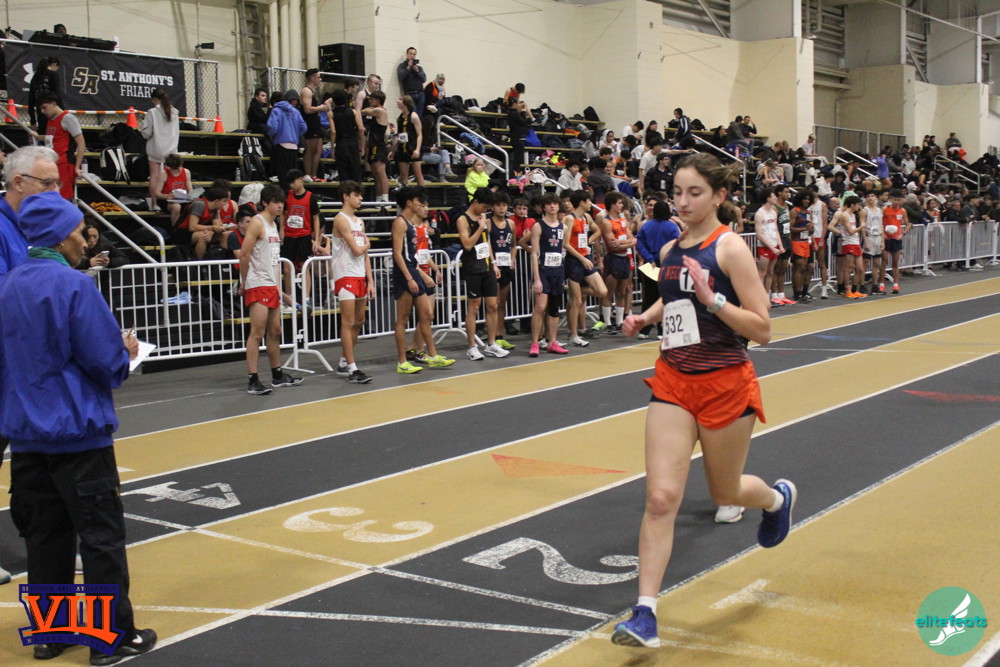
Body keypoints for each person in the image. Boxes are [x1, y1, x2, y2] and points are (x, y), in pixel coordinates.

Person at [611, 153, 796, 649]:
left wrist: (714, 300)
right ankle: (644, 614)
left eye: (694, 192)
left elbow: (763, 330)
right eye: (677, 192)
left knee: (725, 492)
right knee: (660, 498)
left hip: (724, 384)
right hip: (673, 382)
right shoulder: (670, 246)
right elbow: (674, 296)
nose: (683, 201)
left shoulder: (730, 248)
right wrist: (645, 319)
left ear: (718, 196)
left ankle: (776, 500)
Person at [0, 191, 158, 664]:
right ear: (59, 236)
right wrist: (124, 352)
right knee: (99, 538)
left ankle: (52, 633)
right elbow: (104, 361)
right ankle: (111, 638)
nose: (84, 239)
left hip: (26, 438)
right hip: (77, 435)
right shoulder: (74, 287)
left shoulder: (7, 286)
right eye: (77, 231)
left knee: (44, 539)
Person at [0, 145, 61, 587]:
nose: (56, 191)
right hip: (7, 363)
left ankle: (49, 553)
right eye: (48, 183)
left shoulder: (37, 229)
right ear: (18, 182)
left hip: (30, 369)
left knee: (38, 467)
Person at [238, 183, 304, 395]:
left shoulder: (273, 225)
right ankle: (253, 379)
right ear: (265, 202)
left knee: (275, 331)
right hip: (258, 283)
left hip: (272, 284)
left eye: (282, 202)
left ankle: (277, 375)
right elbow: (244, 254)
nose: (280, 206)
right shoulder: (257, 223)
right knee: (257, 332)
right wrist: (244, 281)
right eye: (276, 202)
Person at [391, 187, 455, 373]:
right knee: (403, 319)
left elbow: (414, 254)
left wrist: (417, 274)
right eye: (418, 201)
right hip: (405, 274)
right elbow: (397, 254)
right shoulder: (400, 222)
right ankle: (402, 362)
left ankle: (433, 356)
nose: (421, 205)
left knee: (426, 315)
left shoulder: (412, 224)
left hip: (414, 271)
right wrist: (409, 277)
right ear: (409, 202)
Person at [456, 187, 509, 360]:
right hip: (472, 268)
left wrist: (493, 263)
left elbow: (487, 242)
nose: (485, 210)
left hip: (487, 267)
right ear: (476, 202)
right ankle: (472, 346)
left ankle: (491, 344)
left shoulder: (483, 216)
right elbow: (467, 245)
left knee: (493, 305)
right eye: (484, 207)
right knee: (474, 307)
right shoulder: (463, 219)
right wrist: (480, 227)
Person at [331, 180, 375, 384]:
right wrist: (367, 245)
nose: (361, 199)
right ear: (346, 196)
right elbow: (358, 250)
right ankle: (352, 368)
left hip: (359, 274)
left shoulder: (359, 222)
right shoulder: (341, 219)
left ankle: (343, 361)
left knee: (359, 321)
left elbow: (364, 255)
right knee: (348, 322)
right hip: (345, 274)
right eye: (356, 195)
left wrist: (370, 280)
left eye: (361, 195)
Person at [563, 190, 607, 346]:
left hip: (585, 257)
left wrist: (588, 241)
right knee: (576, 302)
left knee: (602, 291)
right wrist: (581, 258)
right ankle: (574, 335)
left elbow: (598, 231)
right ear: (581, 202)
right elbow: (565, 244)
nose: (591, 204)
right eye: (589, 201)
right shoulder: (569, 218)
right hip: (574, 260)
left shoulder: (587, 217)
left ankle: (578, 291)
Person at [528, 193, 570, 357]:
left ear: (559, 206)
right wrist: (537, 279)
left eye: (555, 204)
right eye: (549, 204)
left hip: (557, 271)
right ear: (544, 207)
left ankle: (552, 342)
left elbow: (563, 249)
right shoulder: (538, 226)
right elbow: (534, 253)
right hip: (543, 271)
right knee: (540, 307)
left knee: (554, 308)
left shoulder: (563, 228)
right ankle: (535, 342)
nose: (552, 206)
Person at [33, 92, 84, 201]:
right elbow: (52, 138)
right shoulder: (51, 120)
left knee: (63, 199)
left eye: (44, 107)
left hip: (64, 164)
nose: (42, 111)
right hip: (53, 164)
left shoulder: (68, 118)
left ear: (53, 103)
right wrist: (38, 137)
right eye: (41, 109)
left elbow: (81, 143)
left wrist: (77, 167)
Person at [598, 192, 636, 333]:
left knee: (621, 292)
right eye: (619, 203)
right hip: (613, 258)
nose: (621, 205)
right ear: (612, 205)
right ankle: (608, 323)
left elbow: (633, 240)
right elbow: (612, 245)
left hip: (624, 258)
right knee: (609, 292)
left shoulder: (623, 220)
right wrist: (628, 243)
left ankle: (619, 322)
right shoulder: (606, 222)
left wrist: (621, 242)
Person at [139, 88, 180, 211]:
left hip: (156, 147)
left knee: (154, 177)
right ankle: (169, 201)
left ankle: (155, 204)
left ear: (155, 99)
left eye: (152, 100)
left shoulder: (152, 112)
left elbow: (146, 134)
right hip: (171, 148)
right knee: (170, 176)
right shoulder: (174, 112)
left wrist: (142, 125)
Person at [488, 192, 518, 351]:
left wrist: (512, 259)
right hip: (493, 267)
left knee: (502, 303)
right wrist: (493, 263)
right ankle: (492, 337)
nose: (501, 208)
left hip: (506, 266)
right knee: (494, 303)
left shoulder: (511, 224)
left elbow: (513, 245)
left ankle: (500, 336)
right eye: (498, 205)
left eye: (504, 205)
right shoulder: (488, 223)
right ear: (492, 207)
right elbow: (487, 245)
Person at [267, 90, 307, 188]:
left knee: (283, 175)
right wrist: (295, 133)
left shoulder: (276, 111)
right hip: (294, 146)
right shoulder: (295, 111)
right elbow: (304, 127)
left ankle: (285, 195)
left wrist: (272, 135)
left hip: (281, 144)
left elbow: (272, 127)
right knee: (292, 175)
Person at [753, 187, 783, 306]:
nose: (775, 198)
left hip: (774, 245)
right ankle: (759, 298)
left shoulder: (773, 212)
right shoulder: (759, 214)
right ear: (768, 198)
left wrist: (780, 245)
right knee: (762, 272)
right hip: (764, 246)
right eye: (773, 196)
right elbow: (759, 234)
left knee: (770, 272)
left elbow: (775, 230)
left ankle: (766, 297)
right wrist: (771, 247)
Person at [299, 68, 330, 180]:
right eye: (318, 77)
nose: (320, 79)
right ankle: (308, 174)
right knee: (310, 149)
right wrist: (320, 108)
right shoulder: (306, 91)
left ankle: (313, 174)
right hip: (310, 123)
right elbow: (307, 109)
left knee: (318, 149)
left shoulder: (312, 91)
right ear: (312, 78)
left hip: (315, 122)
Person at [330, 88, 365, 184]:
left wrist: (332, 149)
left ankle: (345, 192)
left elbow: (333, 131)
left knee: (343, 173)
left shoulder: (331, 114)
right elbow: (361, 129)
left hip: (341, 143)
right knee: (355, 172)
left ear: (334, 101)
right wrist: (362, 146)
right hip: (353, 143)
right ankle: (357, 192)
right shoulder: (354, 112)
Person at [360, 90, 390, 202]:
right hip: (372, 145)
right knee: (375, 175)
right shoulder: (375, 111)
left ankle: (385, 199)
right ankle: (379, 198)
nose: (370, 101)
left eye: (371, 100)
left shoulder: (380, 111)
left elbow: (363, 111)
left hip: (379, 146)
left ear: (377, 101)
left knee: (381, 173)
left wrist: (367, 109)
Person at [881, 190, 911, 293]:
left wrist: (902, 234)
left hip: (896, 239)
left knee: (895, 263)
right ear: (891, 199)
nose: (897, 202)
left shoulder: (902, 211)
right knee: (884, 262)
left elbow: (908, 224)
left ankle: (896, 284)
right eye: (895, 200)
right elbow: (880, 222)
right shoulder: (885, 209)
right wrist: (882, 234)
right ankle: (881, 284)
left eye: (899, 200)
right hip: (886, 239)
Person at [152, 153, 192, 227]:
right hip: (166, 200)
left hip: (182, 199)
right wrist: (167, 196)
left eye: (179, 168)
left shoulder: (186, 172)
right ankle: (176, 229)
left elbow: (190, 190)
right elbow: (157, 193)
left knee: (196, 205)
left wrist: (191, 196)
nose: (178, 171)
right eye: (174, 169)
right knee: (176, 207)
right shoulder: (163, 174)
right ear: (169, 167)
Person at [395, 95, 425, 186]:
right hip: (402, 148)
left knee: (417, 173)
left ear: (406, 102)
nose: (397, 101)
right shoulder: (400, 118)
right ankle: (405, 192)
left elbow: (419, 134)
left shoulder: (413, 116)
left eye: (400, 100)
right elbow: (399, 135)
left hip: (412, 147)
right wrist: (393, 150)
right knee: (403, 175)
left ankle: (422, 192)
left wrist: (417, 149)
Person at [860, 192, 885, 294]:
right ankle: (862, 285)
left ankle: (875, 285)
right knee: (865, 263)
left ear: (876, 198)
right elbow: (862, 227)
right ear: (866, 199)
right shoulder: (864, 211)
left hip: (878, 237)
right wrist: (865, 241)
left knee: (876, 263)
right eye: (868, 196)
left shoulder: (879, 210)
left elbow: (881, 225)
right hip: (869, 237)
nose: (870, 198)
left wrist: (882, 241)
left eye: (872, 196)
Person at [28, 56, 60, 135]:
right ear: (54, 65)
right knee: (55, 135)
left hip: (40, 112)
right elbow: (57, 94)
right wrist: (62, 111)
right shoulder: (53, 75)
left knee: (44, 134)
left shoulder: (35, 77)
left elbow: (31, 100)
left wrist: (33, 120)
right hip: (53, 111)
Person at [397, 47, 427, 118]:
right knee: (412, 114)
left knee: (420, 115)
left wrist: (418, 72)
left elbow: (423, 79)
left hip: (420, 94)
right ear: (407, 55)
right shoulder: (402, 66)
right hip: (409, 94)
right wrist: (408, 67)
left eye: (414, 54)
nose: (412, 56)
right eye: (410, 54)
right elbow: (401, 77)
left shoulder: (419, 68)